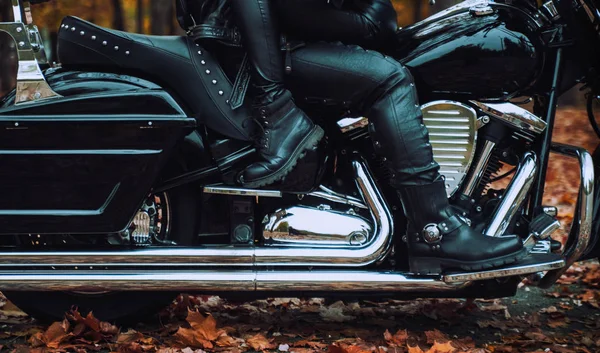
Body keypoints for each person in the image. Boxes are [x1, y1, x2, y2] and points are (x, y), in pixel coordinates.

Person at [177, 0, 526, 274]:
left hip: (263, 41)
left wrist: (377, 21)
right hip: (253, 50)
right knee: (390, 79)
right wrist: (373, 22)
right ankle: (433, 227)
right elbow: (294, 9)